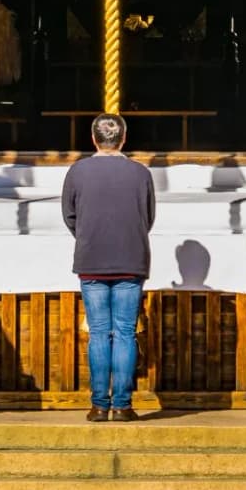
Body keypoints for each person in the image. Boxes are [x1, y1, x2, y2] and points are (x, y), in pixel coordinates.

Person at [61, 113, 156, 422]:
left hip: (92, 259)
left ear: (94, 139)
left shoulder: (78, 172)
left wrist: (89, 235)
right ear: (123, 138)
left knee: (100, 333)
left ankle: (100, 404)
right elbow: (148, 217)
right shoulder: (140, 174)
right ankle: (124, 404)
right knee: (126, 333)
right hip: (131, 258)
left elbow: (69, 215)